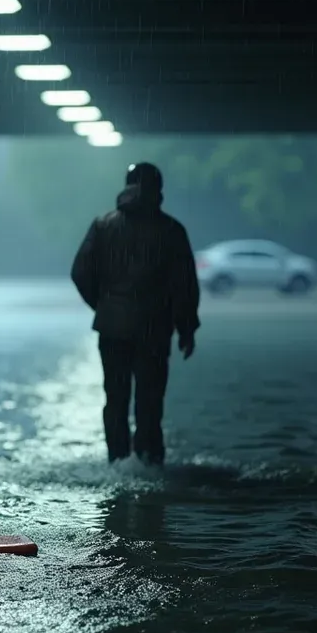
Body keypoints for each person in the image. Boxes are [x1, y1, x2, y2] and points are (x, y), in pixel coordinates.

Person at [70, 162, 200, 466]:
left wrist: (104, 305)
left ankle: (117, 463)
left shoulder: (103, 226)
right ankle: (149, 463)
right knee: (150, 401)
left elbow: (80, 272)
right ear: (159, 189)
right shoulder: (171, 231)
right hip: (154, 330)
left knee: (115, 399)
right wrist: (187, 328)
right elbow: (185, 286)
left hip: (112, 328)